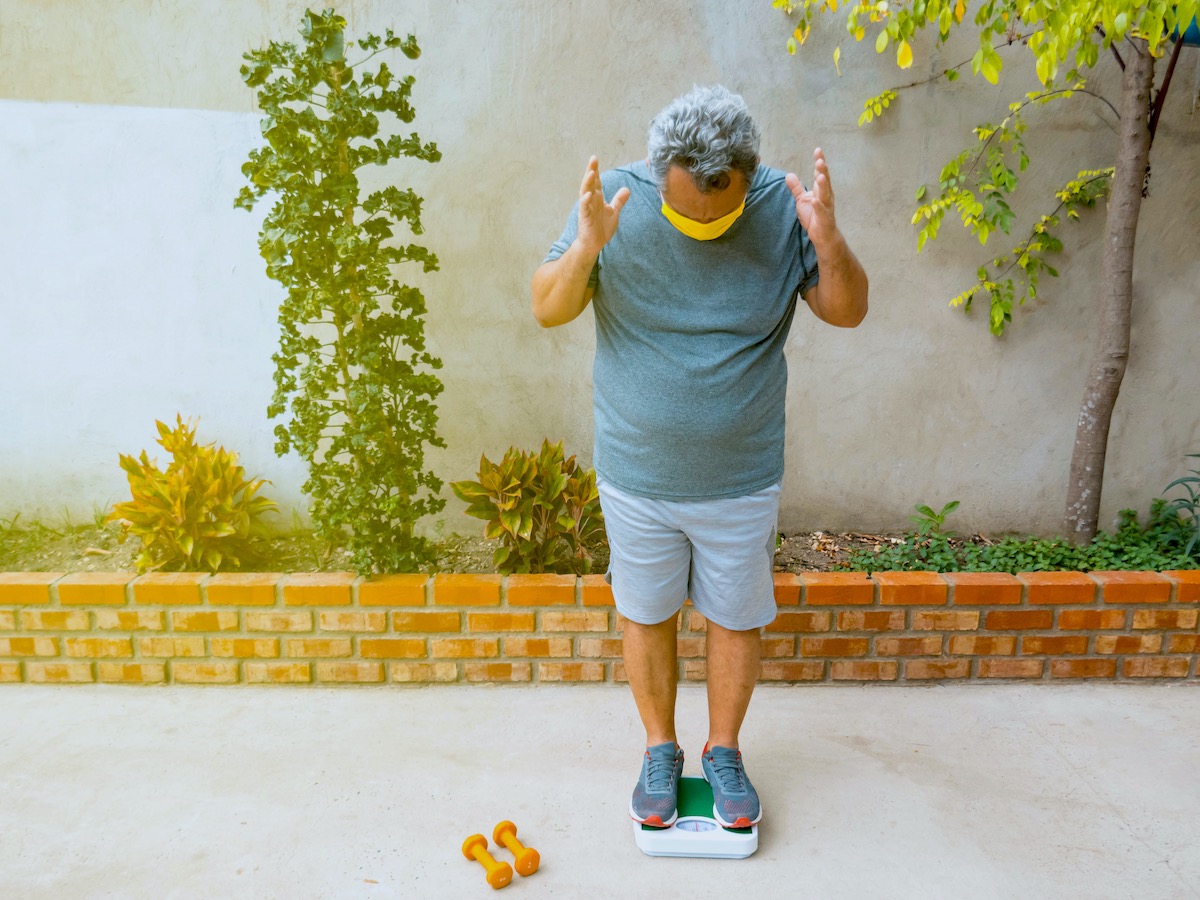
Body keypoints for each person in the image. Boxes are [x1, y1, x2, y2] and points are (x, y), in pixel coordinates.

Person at [531, 84, 868, 830]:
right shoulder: (616, 200)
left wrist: (829, 242)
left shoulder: (784, 209)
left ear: (748, 173)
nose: (707, 223)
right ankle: (660, 749)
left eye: (724, 209)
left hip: (741, 479)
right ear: (662, 173)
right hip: (637, 476)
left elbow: (847, 311)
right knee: (646, 614)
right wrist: (587, 247)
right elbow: (547, 306)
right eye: (689, 209)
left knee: (733, 616)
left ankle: (724, 750)